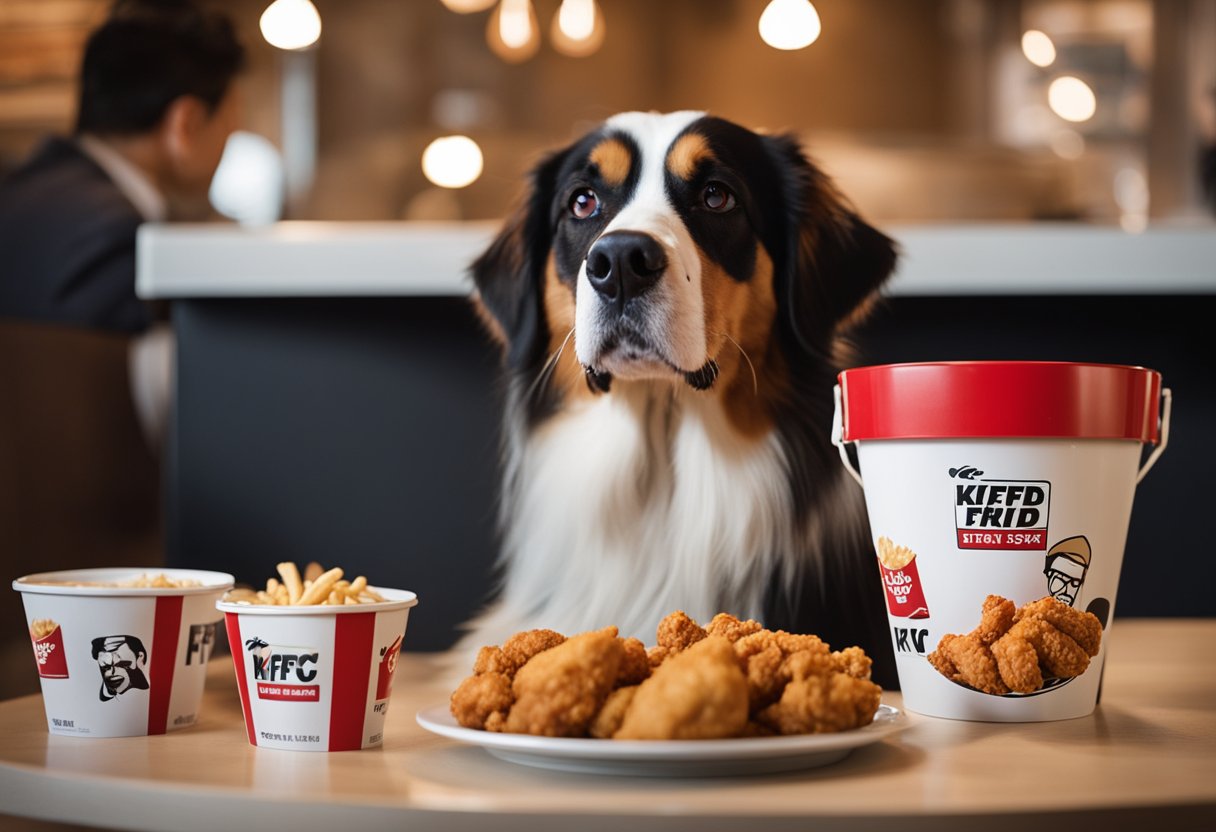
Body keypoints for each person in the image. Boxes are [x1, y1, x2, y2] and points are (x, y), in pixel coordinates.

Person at [0, 0, 245, 333]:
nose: (228, 144)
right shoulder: (112, 239)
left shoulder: (21, 194)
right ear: (184, 126)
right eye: (230, 126)